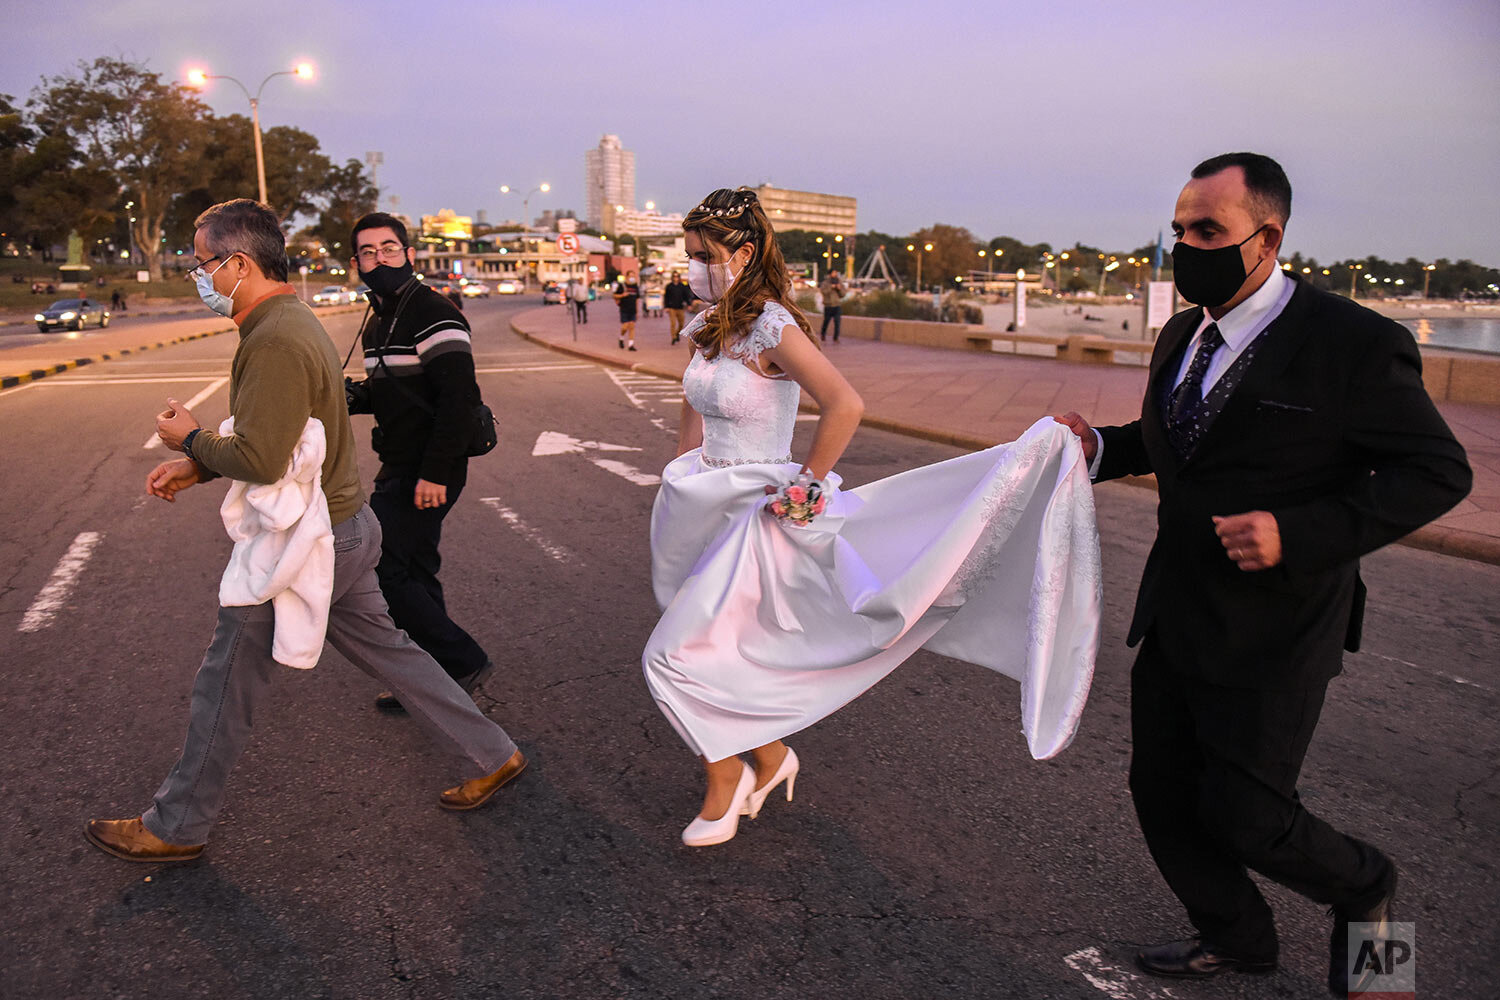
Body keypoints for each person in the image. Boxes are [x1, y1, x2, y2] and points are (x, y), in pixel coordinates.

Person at [1055, 153, 1471, 995]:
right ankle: (1238, 937)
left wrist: (1301, 531)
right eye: (1178, 230)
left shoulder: (1352, 343)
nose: (1185, 246)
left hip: (1279, 631)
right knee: (1162, 795)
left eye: (1207, 230)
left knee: (1250, 819)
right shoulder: (1184, 332)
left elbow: (1439, 472)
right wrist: (1098, 447)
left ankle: (1367, 892)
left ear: (1267, 236)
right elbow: (1176, 437)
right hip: (1177, 614)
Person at [643, 188, 1101, 848]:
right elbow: (694, 408)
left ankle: (728, 778)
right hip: (702, 510)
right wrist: (682, 477)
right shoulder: (709, 325)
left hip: (760, 517)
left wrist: (806, 488)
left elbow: (845, 404)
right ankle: (770, 759)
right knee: (715, 649)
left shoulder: (773, 328)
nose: (693, 267)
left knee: (672, 657)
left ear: (744, 253)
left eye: (703, 256)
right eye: (688, 256)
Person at [84, 200, 525, 864]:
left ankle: (176, 826)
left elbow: (262, 459)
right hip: (348, 527)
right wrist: (198, 465)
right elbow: (282, 437)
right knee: (395, 654)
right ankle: (496, 753)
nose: (196, 275)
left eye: (201, 262)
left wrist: (190, 436)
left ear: (237, 263)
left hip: (310, 540)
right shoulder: (285, 321)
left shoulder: (277, 338)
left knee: (223, 681)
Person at [344, 212, 496, 713]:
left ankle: (460, 659)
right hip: (399, 462)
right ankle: (435, 676)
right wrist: (340, 397)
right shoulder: (378, 321)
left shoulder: (433, 312)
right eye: (368, 252)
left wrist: (434, 472)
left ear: (408, 254)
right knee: (417, 567)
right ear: (356, 263)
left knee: (380, 564)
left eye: (389, 248)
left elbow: (458, 400)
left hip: (431, 466)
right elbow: (393, 393)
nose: (379, 258)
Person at [663, 272, 691, 345]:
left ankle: (677, 333)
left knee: (681, 323)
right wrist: (666, 307)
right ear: (672, 277)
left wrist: (689, 304)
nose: (676, 278)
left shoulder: (682, 286)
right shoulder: (669, 286)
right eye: (674, 276)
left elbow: (686, 296)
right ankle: (673, 337)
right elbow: (666, 297)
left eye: (677, 276)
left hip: (680, 307)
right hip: (672, 308)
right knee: (673, 323)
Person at [614, 276, 640, 351]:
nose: (632, 278)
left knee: (632, 326)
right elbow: (614, 295)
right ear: (627, 277)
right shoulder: (622, 286)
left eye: (633, 275)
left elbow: (637, 299)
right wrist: (622, 295)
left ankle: (631, 345)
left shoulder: (635, 287)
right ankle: (621, 337)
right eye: (631, 275)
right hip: (624, 309)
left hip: (633, 309)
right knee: (625, 327)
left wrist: (637, 311)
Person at [818, 271, 845, 342]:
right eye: (833, 273)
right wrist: (831, 287)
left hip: (837, 305)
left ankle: (836, 338)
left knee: (837, 322)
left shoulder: (839, 282)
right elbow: (823, 292)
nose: (835, 274)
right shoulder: (825, 283)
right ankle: (823, 334)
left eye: (836, 273)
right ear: (830, 274)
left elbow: (843, 294)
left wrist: (839, 289)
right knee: (826, 321)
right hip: (828, 305)